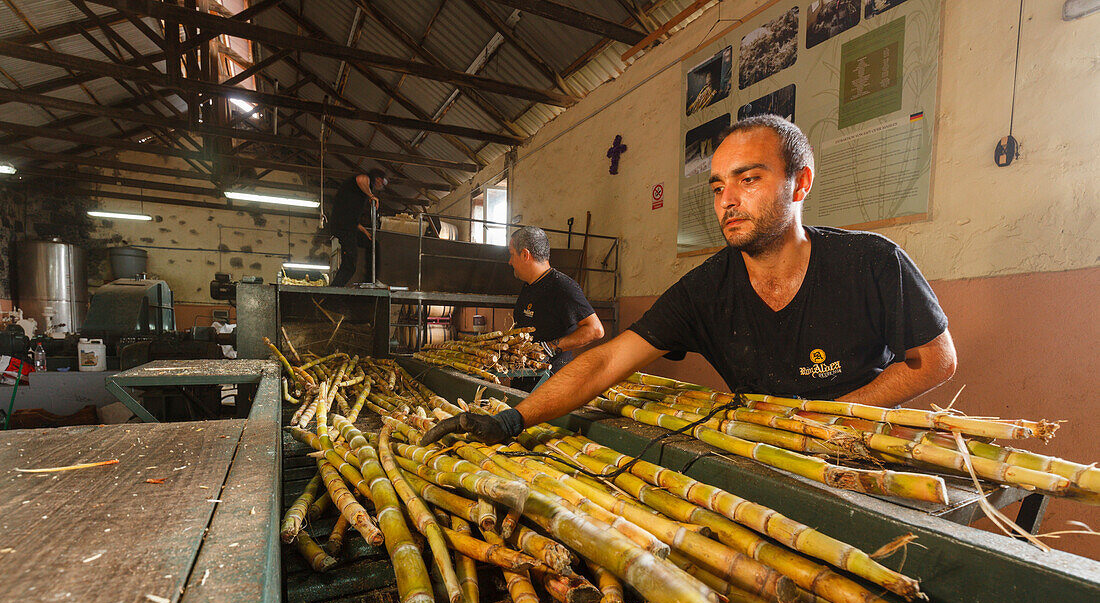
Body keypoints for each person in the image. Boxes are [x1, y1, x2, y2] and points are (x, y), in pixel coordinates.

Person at [423, 114, 956, 445]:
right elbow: (608, 358)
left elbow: (936, 360)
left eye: (749, 180)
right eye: (719, 186)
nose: (728, 200)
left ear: (800, 184)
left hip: (860, 448)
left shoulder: (870, 262)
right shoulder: (705, 290)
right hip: (767, 451)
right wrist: (513, 421)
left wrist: (833, 419)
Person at [506, 226, 605, 391]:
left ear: (525, 255)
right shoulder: (529, 286)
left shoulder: (563, 286)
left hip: (551, 383)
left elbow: (596, 330)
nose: (509, 261)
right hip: (525, 379)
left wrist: (550, 347)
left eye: (511, 254)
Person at [329, 168, 388, 286]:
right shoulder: (364, 180)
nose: (381, 185)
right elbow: (361, 180)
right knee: (350, 265)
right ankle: (333, 291)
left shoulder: (356, 194)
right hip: (344, 228)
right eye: (382, 182)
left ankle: (370, 280)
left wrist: (364, 231)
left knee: (372, 243)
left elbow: (351, 217)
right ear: (378, 179)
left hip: (348, 226)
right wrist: (371, 196)